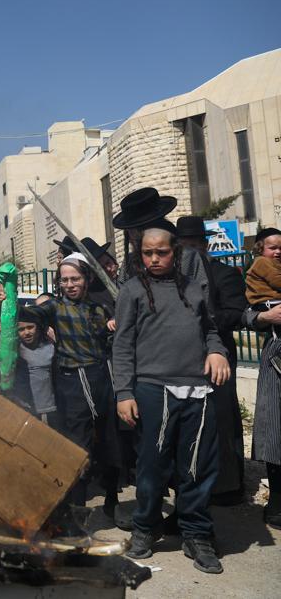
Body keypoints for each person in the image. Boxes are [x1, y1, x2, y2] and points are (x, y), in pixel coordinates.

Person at [114, 225, 230, 574]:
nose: (153, 258)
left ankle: (196, 534)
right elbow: (122, 343)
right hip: (153, 388)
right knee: (152, 466)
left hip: (197, 388)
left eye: (161, 252)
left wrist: (217, 352)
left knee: (197, 466)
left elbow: (210, 329)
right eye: (147, 253)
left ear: (174, 252)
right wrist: (123, 392)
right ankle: (146, 529)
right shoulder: (132, 290)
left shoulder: (193, 289)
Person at [29, 253, 119, 511]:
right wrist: (10, 297)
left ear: (87, 279)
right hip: (71, 385)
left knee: (108, 442)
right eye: (64, 279)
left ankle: (112, 500)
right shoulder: (54, 307)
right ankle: (77, 510)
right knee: (77, 447)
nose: (69, 284)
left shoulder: (100, 308)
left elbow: (109, 337)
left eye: (75, 278)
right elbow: (31, 313)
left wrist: (113, 325)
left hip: (101, 378)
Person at [176, 216, 248, 502]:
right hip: (185, 361)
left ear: (204, 246)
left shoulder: (224, 274)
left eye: (193, 246)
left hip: (218, 356)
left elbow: (236, 313)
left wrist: (206, 320)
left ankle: (230, 486)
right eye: (183, 247)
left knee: (223, 420)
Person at [242, 226, 281, 530]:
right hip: (275, 356)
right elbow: (244, 314)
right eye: (271, 247)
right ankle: (277, 502)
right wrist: (262, 318)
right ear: (260, 250)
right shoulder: (258, 273)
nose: (277, 252)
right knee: (274, 431)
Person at [17, 307, 60, 427]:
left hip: (51, 409)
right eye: (21, 329)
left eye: (30, 327)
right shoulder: (15, 352)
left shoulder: (50, 348)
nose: (26, 332)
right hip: (27, 409)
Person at [243, 227, 281, 307]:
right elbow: (277, 281)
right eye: (273, 248)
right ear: (260, 249)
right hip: (269, 304)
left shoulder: (274, 262)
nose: (278, 251)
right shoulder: (262, 261)